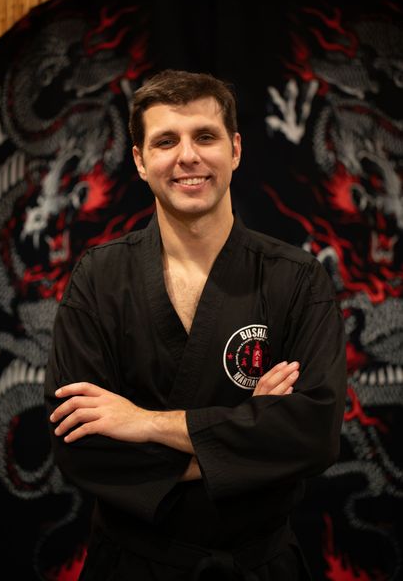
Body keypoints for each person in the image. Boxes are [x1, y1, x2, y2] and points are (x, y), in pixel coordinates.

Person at [44, 69, 347, 580]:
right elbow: (82, 448)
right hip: (132, 566)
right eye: (166, 141)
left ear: (234, 150)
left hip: (258, 566)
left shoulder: (297, 279)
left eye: (204, 136)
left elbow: (313, 436)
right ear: (140, 161)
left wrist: (145, 422)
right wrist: (251, 439)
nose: (188, 156)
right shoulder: (98, 279)